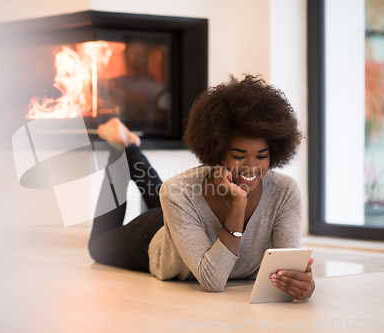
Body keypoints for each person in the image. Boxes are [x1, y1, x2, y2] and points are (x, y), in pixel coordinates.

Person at [88, 75, 315, 299]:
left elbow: (288, 271)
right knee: (98, 246)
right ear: (217, 152)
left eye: (262, 156)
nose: (251, 167)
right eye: (239, 156)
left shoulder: (284, 191)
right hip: (153, 235)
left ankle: (130, 148)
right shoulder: (179, 192)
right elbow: (212, 281)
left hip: (183, 213)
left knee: (172, 194)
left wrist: (304, 286)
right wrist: (238, 204)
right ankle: (120, 149)